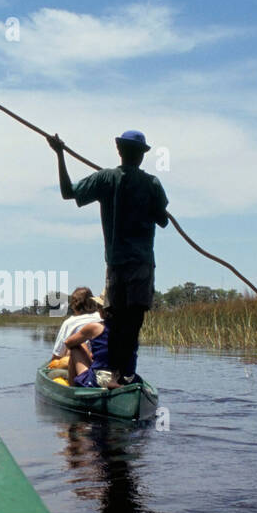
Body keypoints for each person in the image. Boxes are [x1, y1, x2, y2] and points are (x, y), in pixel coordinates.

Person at [49, 128, 167, 385]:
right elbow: (164, 220)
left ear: (119, 151)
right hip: (142, 267)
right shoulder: (152, 184)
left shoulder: (106, 179)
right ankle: (125, 375)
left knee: (113, 324)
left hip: (117, 267)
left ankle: (110, 375)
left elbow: (68, 191)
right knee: (132, 324)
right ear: (142, 156)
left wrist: (59, 155)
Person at [48, 287, 102, 366]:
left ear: (74, 304)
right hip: (100, 363)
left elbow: (57, 355)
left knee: (73, 348)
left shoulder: (69, 322)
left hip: (79, 367)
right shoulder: (101, 317)